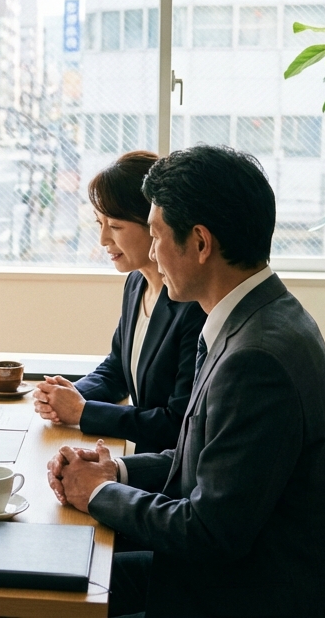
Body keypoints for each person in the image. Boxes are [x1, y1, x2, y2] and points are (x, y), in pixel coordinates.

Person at [47, 145, 325, 617]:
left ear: (200, 243)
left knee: (56, 592)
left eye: (155, 236)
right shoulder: (255, 318)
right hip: (239, 575)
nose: (151, 253)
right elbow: (206, 458)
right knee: (60, 575)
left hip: (256, 594)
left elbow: (208, 533)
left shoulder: (256, 360)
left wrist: (95, 492)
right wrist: (118, 472)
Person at [32, 151, 205, 453]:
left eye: (115, 226)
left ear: (154, 223)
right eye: (99, 223)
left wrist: (83, 412)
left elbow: (177, 425)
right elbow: (117, 369)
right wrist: (70, 395)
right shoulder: (136, 282)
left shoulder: (193, 305)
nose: (102, 239)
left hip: (164, 470)